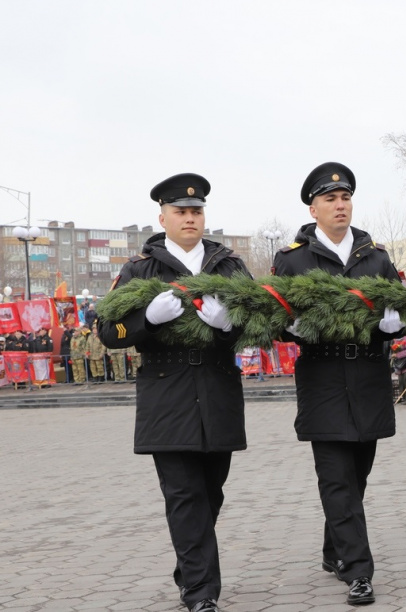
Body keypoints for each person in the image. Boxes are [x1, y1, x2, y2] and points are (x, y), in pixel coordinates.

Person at [98, 172, 250, 612]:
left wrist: (228, 326)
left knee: (211, 491)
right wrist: (146, 318)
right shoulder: (139, 269)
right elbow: (109, 331)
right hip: (167, 393)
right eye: (180, 211)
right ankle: (202, 593)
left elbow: (257, 324)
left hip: (218, 388)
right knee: (184, 496)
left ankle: (190, 570)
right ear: (162, 217)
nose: (189, 218)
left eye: (196, 211)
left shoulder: (228, 266)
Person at [272, 162, 403, 605]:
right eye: (330, 199)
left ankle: (335, 550)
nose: (340, 205)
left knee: (357, 476)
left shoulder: (376, 256)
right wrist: (292, 329)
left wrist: (395, 324)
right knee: (337, 479)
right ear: (313, 207)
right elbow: (275, 318)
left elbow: (399, 313)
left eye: (345, 197)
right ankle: (359, 570)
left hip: (367, 375)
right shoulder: (292, 259)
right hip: (323, 377)